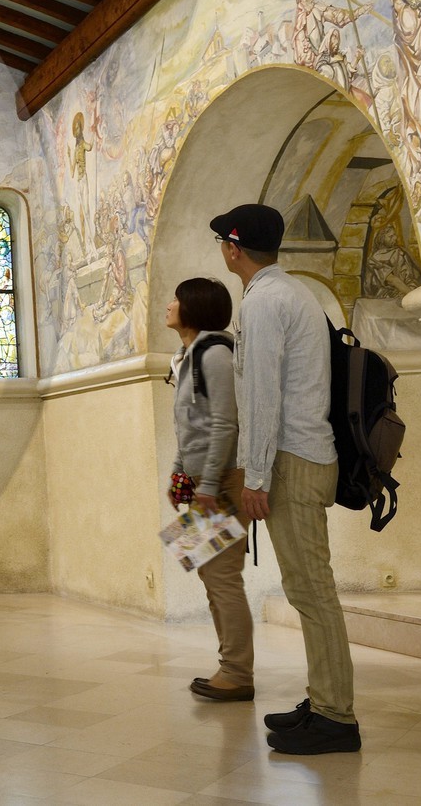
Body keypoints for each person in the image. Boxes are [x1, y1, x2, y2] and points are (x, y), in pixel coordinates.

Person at [212, 203, 359, 755]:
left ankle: (336, 716)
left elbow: (261, 395)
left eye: (222, 244)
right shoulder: (293, 291)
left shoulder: (264, 301)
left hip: (292, 462)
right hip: (304, 456)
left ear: (233, 249)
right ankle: (323, 701)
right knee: (308, 589)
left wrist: (255, 475)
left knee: (312, 592)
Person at [164, 277, 252, 702]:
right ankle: (229, 667)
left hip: (222, 482)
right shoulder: (189, 355)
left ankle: (236, 673)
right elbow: (190, 425)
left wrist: (210, 484)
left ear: (193, 307)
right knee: (209, 572)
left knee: (222, 578)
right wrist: (179, 472)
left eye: (176, 299)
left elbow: (224, 424)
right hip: (205, 482)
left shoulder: (214, 354)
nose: (169, 305)